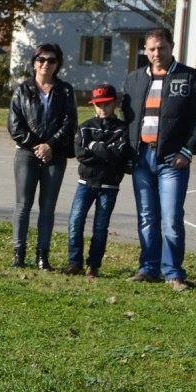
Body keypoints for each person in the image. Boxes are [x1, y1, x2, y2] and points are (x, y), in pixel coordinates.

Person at [120, 27, 196, 291]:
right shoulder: (134, 79)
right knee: (146, 217)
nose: (156, 53)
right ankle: (148, 268)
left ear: (172, 46)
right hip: (141, 159)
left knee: (171, 218)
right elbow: (127, 118)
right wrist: (128, 152)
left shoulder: (190, 78)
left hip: (173, 161)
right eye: (151, 49)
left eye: (161, 47)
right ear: (145, 50)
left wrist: (187, 150)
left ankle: (173, 273)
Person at [6, 41, 77, 270]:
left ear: (58, 64)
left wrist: (50, 146)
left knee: (48, 206)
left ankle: (42, 256)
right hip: (27, 154)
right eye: (41, 59)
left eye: (51, 60)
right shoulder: (22, 90)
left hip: (55, 155)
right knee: (23, 205)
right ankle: (19, 254)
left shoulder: (65, 90)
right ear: (34, 63)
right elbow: (15, 125)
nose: (46, 64)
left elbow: (69, 123)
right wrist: (37, 146)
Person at [64, 83, 133, 279]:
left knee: (100, 227)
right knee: (75, 221)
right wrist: (104, 151)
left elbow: (118, 155)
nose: (102, 108)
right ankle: (74, 262)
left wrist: (94, 146)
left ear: (114, 104)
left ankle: (93, 265)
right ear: (93, 105)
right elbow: (80, 153)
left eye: (107, 104)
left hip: (109, 186)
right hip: (85, 184)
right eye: (98, 104)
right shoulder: (85, 126)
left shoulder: (122, 129)